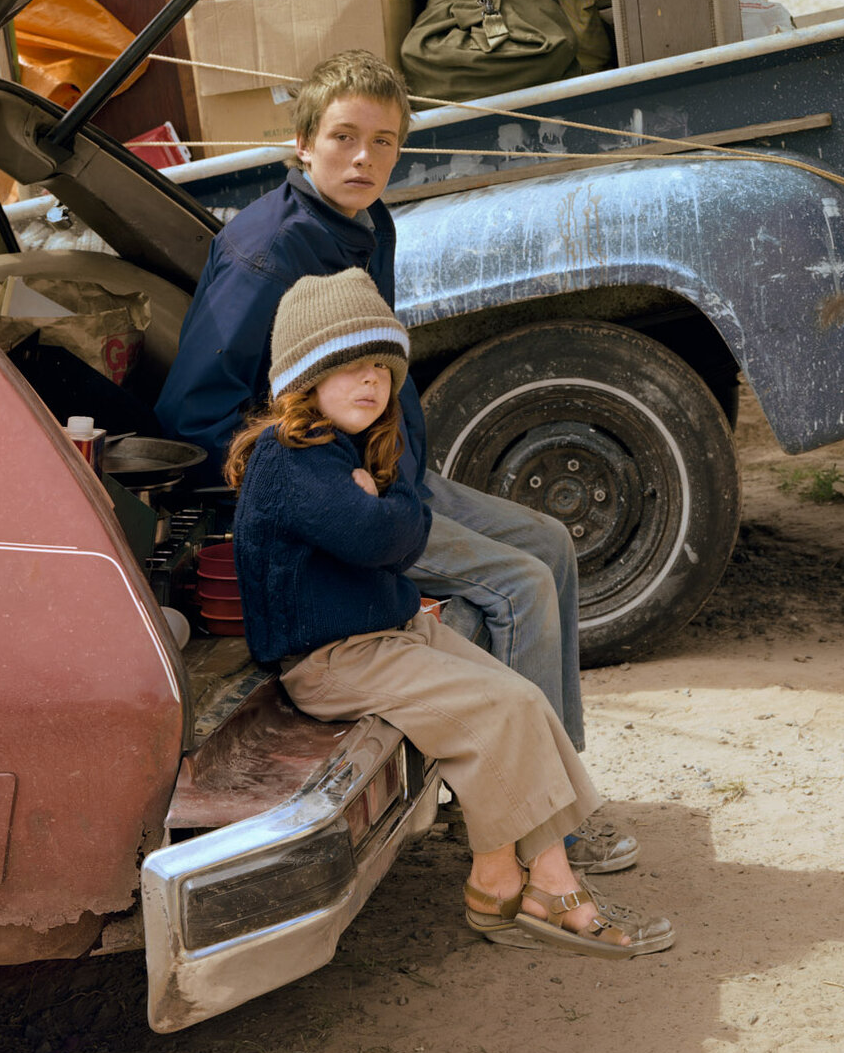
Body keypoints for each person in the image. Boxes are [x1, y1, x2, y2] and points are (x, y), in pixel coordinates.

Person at [158, 49, 634, 875]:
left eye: (383, 142)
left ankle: (555, 786)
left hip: (393, 473)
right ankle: (537, 830)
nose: (363, 158)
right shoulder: (266, 254)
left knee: (551, 543)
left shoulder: (366, 223)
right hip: (335, 493)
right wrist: (307, 477)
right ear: (303, 142)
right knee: (517, 582)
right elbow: (192, 413)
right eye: (343, 137)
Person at [227, 268, 669, 958]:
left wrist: (385, 496)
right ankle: (548, 892)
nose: (371, 381)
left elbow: (394, 532)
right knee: (501, 709)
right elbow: (389, 538)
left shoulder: (350, 451)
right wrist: (391, 503)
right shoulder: (293, 461)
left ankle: (500, 880)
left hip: (383, 634)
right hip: (333, 660)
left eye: (380, 366)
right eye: (347, 367)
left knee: (519, 699)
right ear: (304, 379)